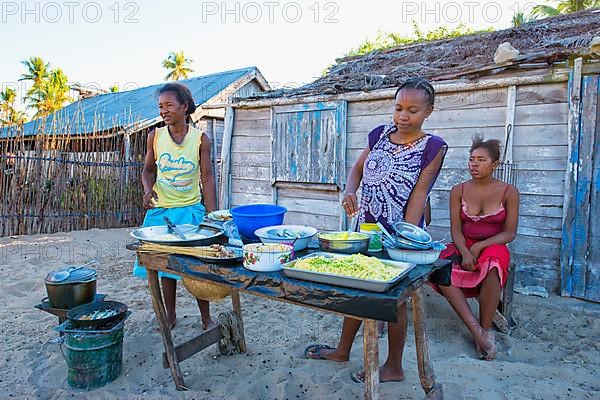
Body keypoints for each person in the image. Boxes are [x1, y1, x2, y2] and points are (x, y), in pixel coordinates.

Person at [304, 77, 447, 383]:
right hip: (366, 228)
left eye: (413, 110)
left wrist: (404, 239)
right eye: (398, 108)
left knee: (394, 298)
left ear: (429, 111)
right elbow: (357, 170)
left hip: (402, 234)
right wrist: (350, 192)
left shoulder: (433, 147)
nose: (403, 116)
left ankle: (393, 366)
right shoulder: (379, 135)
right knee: (357, 288)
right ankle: (343, 349)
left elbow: (421, 193)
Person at [133, 83, 217, 331]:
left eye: (169, 105)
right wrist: (148, 190)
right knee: (164, 267)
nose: (164, 110)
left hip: (189, 210)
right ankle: (170, 316)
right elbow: (148, 171)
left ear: (185, 106)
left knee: (196, 268)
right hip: (160, 212)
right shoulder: (154, 137)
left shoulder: (201, 139)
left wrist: (212, 216)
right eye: (161, 106)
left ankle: (206, 317)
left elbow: (208, 178)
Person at [432, 136, 519, 360]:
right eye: (472, 159)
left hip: (494, 244)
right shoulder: (458, 190)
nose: (474, 164)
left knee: (493, 266)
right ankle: (476, 331)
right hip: (464, 243)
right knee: (441, 268)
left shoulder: (509, 192)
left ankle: (485, 327)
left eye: (481, 160)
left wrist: (481, 246)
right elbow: (456, 230)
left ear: (494, 164)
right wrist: (465, 250)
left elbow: (509, 233)